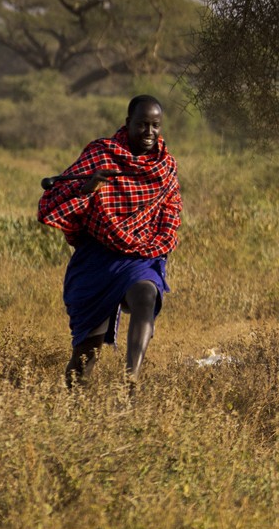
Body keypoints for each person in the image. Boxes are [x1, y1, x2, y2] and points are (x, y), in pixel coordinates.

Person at [39, 95, 182, 385]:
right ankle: (74, 404)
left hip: (141, 254)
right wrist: (88, 187)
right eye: (142, 124)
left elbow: (171, 209)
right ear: (128, 123)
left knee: (146, 295)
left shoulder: (165, 165)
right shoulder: (102, 154)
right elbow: (51, 204)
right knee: (86, 354)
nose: (149, 132)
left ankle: (130, 382)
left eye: (155, 126)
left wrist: (157, 243)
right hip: (97, 258)